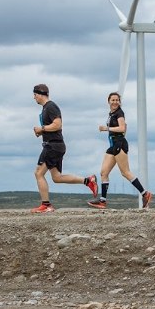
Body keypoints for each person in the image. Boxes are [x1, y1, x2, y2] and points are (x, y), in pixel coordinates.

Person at [32, 84, 98, 213]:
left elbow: (57, 125)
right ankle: (88, 181)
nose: (34, 98)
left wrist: (42, 129)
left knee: (38, 173)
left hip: (53, 146)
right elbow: (54, 127)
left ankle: (46, 205)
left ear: (40, 94)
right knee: (56, 177)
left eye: (35, 95)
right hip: (56, 145)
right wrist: (41, 132)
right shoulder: (46, 108)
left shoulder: (51, 106)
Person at [87, 92, 151, 209]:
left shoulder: (119, 113)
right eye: (113, 100)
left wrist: (107, 128)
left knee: (125, 172)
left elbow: (122, 128)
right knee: (103, 173)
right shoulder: (111, 114)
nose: (115, 102)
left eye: (117, 100)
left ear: (119, 102)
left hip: (119, 144)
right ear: (109, 101)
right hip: (112, 145)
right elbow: (123, 127)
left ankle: (145, 194)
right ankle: (102, 201)